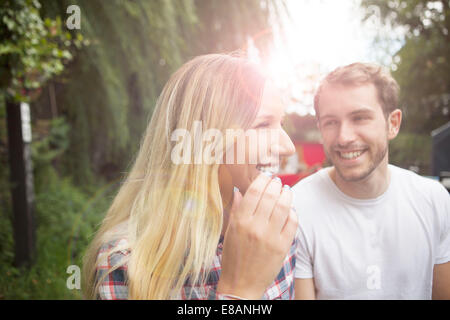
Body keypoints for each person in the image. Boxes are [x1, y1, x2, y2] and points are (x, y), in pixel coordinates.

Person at [82, 53, 298, 300]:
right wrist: (240, 293)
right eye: (262, 125)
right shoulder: (127, 263)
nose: (288, 146)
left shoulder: (280, 226)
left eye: (280, 123)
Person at [293, 62, 450, 299]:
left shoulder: (434, 200)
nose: (344, 137)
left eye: (360, 118)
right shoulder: (298, 206)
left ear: (393, 123)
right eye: (331, 122)